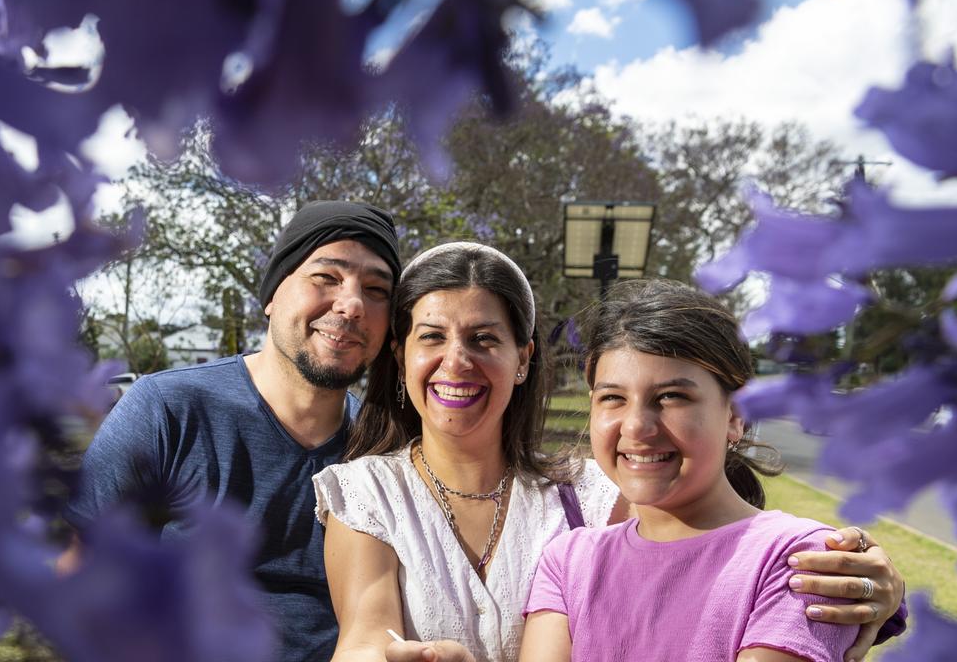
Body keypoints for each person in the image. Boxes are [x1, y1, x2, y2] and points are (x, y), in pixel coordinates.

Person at [313, 243, 904, 662]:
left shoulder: (590, 495)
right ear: (401, 354)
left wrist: (877, 588)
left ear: (523, 359)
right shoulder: (565, 555)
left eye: (485, 338)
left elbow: (705, 545)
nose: (458, 361)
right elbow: (365, 636)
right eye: (432, 337)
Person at [66, 200, 402, 662]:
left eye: (377, 289)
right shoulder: (167, 410)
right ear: (271, 296)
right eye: (326, 277)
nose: (352, 304)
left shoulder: (383, 450)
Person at [518, 279, 867, 661]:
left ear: (736, 415)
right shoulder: (570, 561)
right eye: (613, 398)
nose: (636, 426)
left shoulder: (799, 559)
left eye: (671, 397)